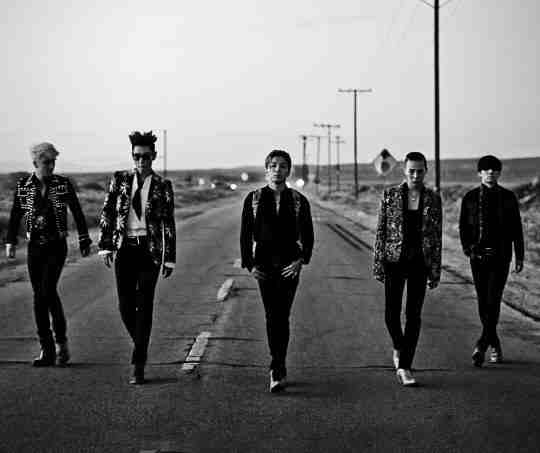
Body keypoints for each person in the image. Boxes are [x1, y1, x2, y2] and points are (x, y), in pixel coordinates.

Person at [98, 131, 176, 385]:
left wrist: (169, 257)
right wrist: (105, 245)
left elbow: (168, 223)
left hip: (149, 252)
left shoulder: (163, 185)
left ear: (154, 156)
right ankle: (141, 343)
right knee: (125, 306)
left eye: (146, 156)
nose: (141, 161)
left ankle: (138, 363)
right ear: (132, 156)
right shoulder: (120, 179)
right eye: (137, 156)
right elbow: (108, 211)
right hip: (125, 249)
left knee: (145, 305)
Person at [5, 142, 92, 366]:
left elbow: (77, 211)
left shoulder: (62, 184)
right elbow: (15, 213)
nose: (51, 166)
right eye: (46, 162)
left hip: (56, 246)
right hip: (35, 247)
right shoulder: (24, 186)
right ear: (35, 163)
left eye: (53, 162)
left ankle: (60, 343)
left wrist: (84, 238)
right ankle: (48, 349)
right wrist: (10, 241)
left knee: (47, 290)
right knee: (40, 296)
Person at [240, 150, 314, 392]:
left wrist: (300, 261)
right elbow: (245, 234)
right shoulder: (253, 199)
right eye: (273, 165)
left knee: (282, 315)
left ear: (288, 170)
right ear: (266, 169)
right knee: (272, 316)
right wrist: (250, 265)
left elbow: (308, 235)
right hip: (264, 267)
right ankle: (277, 366)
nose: (277, 170)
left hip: (289, 267)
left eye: (282, 166)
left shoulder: (299, 200)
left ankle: (277, 366)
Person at [373, 152, 442, 386]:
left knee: (414, 315)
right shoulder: (390, 195)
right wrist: (378, 264)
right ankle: (398, 345)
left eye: (420, 171)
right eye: (411, 170)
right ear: (404, 170)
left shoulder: (433, 198)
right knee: (391, 315)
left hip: (420, 263)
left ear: (426, 171)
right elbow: (381, 231)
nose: (415, 175)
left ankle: (405, 367)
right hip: (394, 261)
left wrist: (435, 270)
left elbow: (437, 236)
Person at [459, 155, 524, 367]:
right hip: (478, 257)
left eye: (494, 169)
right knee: (482, 302)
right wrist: (468, 249)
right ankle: (494, 343)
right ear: (479, 173)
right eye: (486, 169)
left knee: (493, 300)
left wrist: (519, 255)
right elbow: (463, 227)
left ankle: (481, 344)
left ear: (499, 173)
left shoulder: (508, 197)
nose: (490, 173)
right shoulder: (470, 197)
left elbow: (516, 228)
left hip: (501, 256)